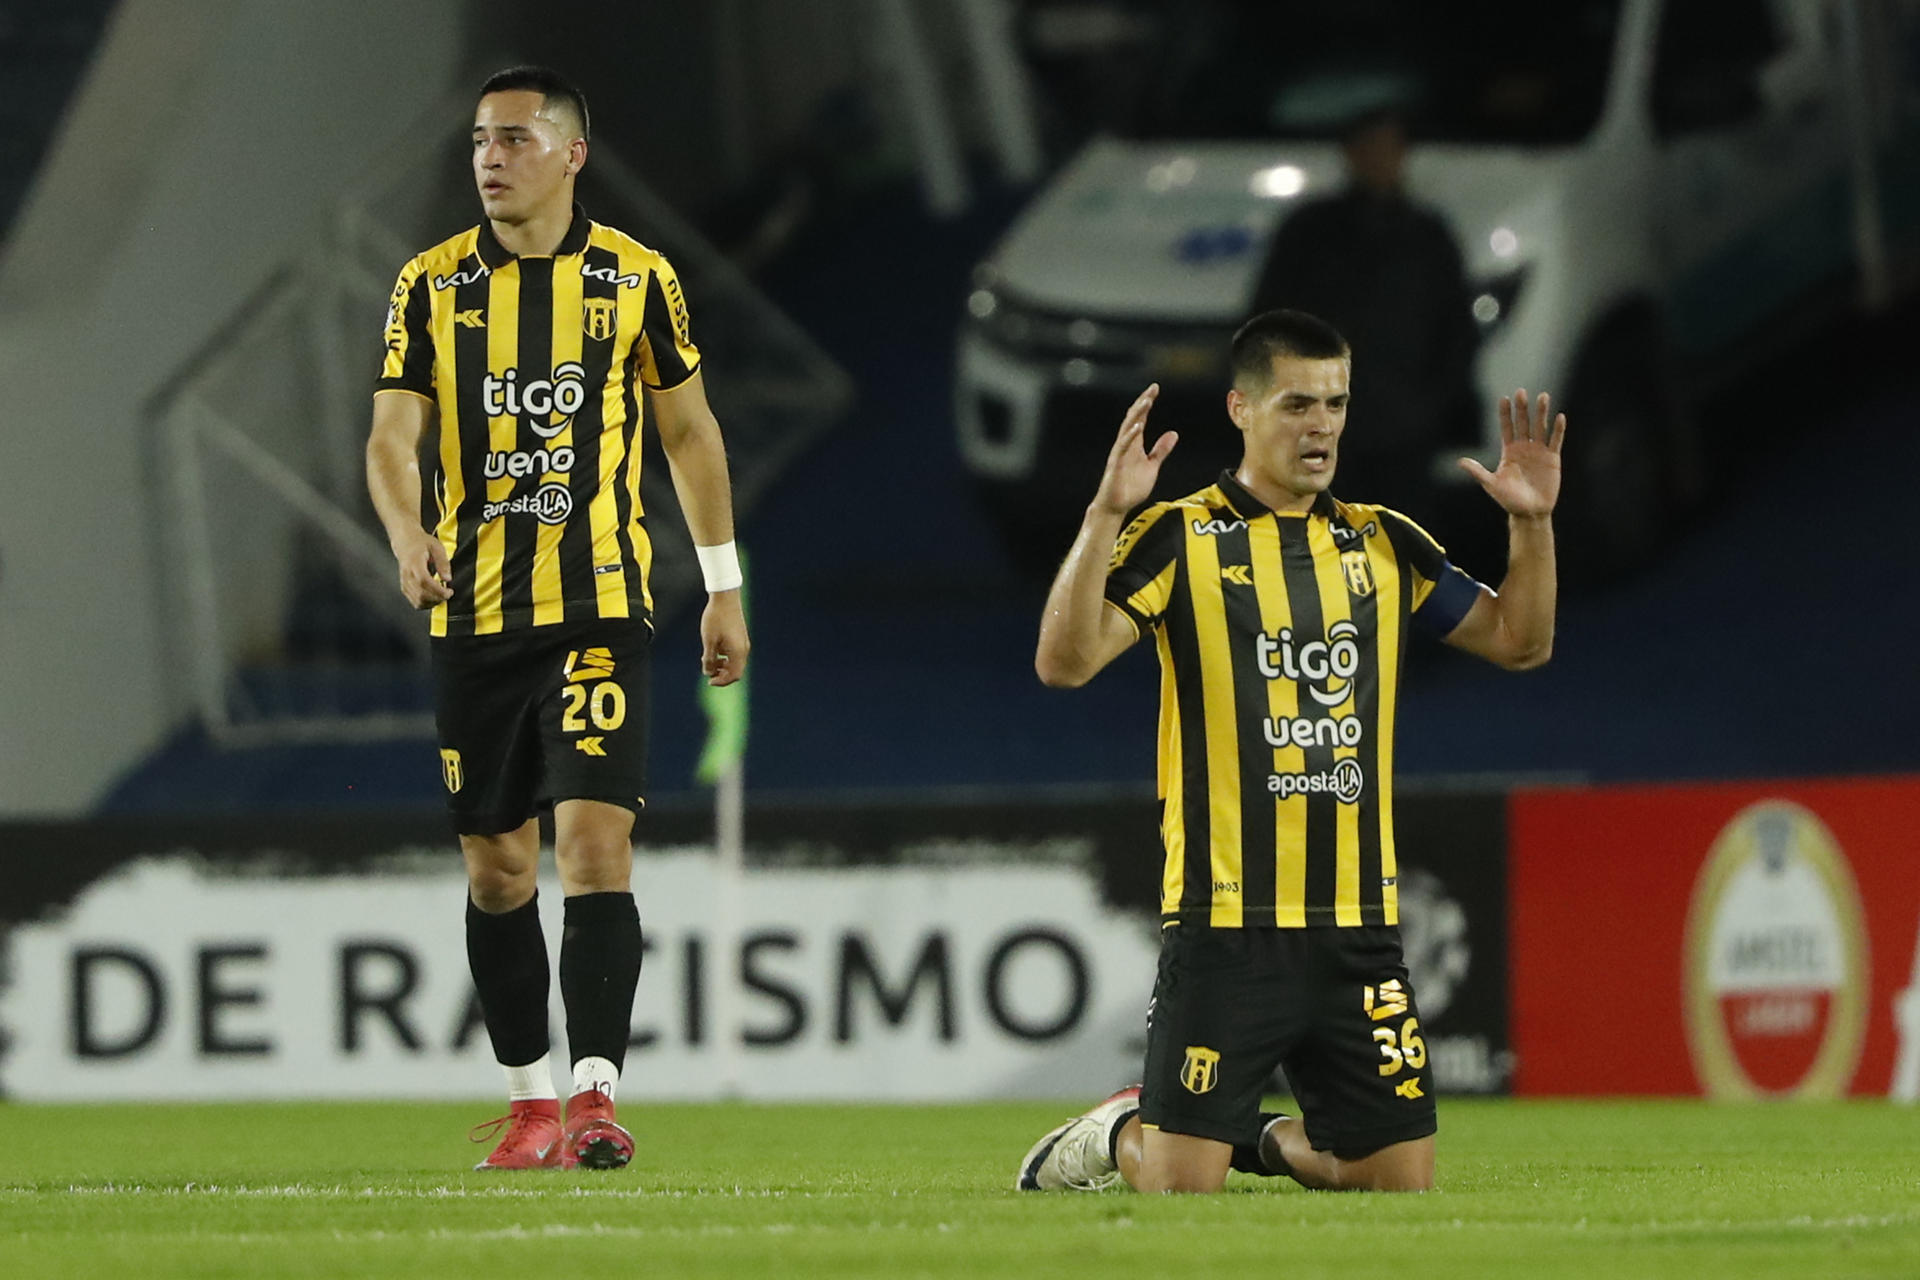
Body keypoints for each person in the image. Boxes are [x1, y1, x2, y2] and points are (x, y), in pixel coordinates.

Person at [1018, 309, 1561, 1193]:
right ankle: (1116, 1136)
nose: (1321, 427)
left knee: (1393, 1185)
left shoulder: (1386, 541)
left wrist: (1531, 525)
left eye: (1337, 404)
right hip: (1227, 924)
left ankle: (1257, 1141)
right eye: (1298, 404)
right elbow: (1064, 662)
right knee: (1179, 1191)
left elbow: (1520, 642)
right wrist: (1104, 512)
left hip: (1358, 928)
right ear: (1241, 408)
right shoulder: (1178, 536)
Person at [365, 66, 750, 1171]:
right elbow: (393, 439)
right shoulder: (430, 287)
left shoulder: (636, 280)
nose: (492, 157)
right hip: (474, 614)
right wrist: (405, 533)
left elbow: (689, 433)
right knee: (498, 867)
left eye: (517, 138)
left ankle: (594, 1093)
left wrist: (724, 584)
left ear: (573, 154)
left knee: (594, 844)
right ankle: (529, 1098)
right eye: (482, 139)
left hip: (597, 604)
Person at [1248, 108, 1479, 526]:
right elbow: (1269, 324)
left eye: (1391, 148)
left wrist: (1432, 406)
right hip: (1327, 428)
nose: (1383, 159)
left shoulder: (1427, 236)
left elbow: (1455, 331)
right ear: (1351, 155)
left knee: (1398, 548)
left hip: (1405, 429)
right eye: (1372, 148)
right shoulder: (1309, 233)